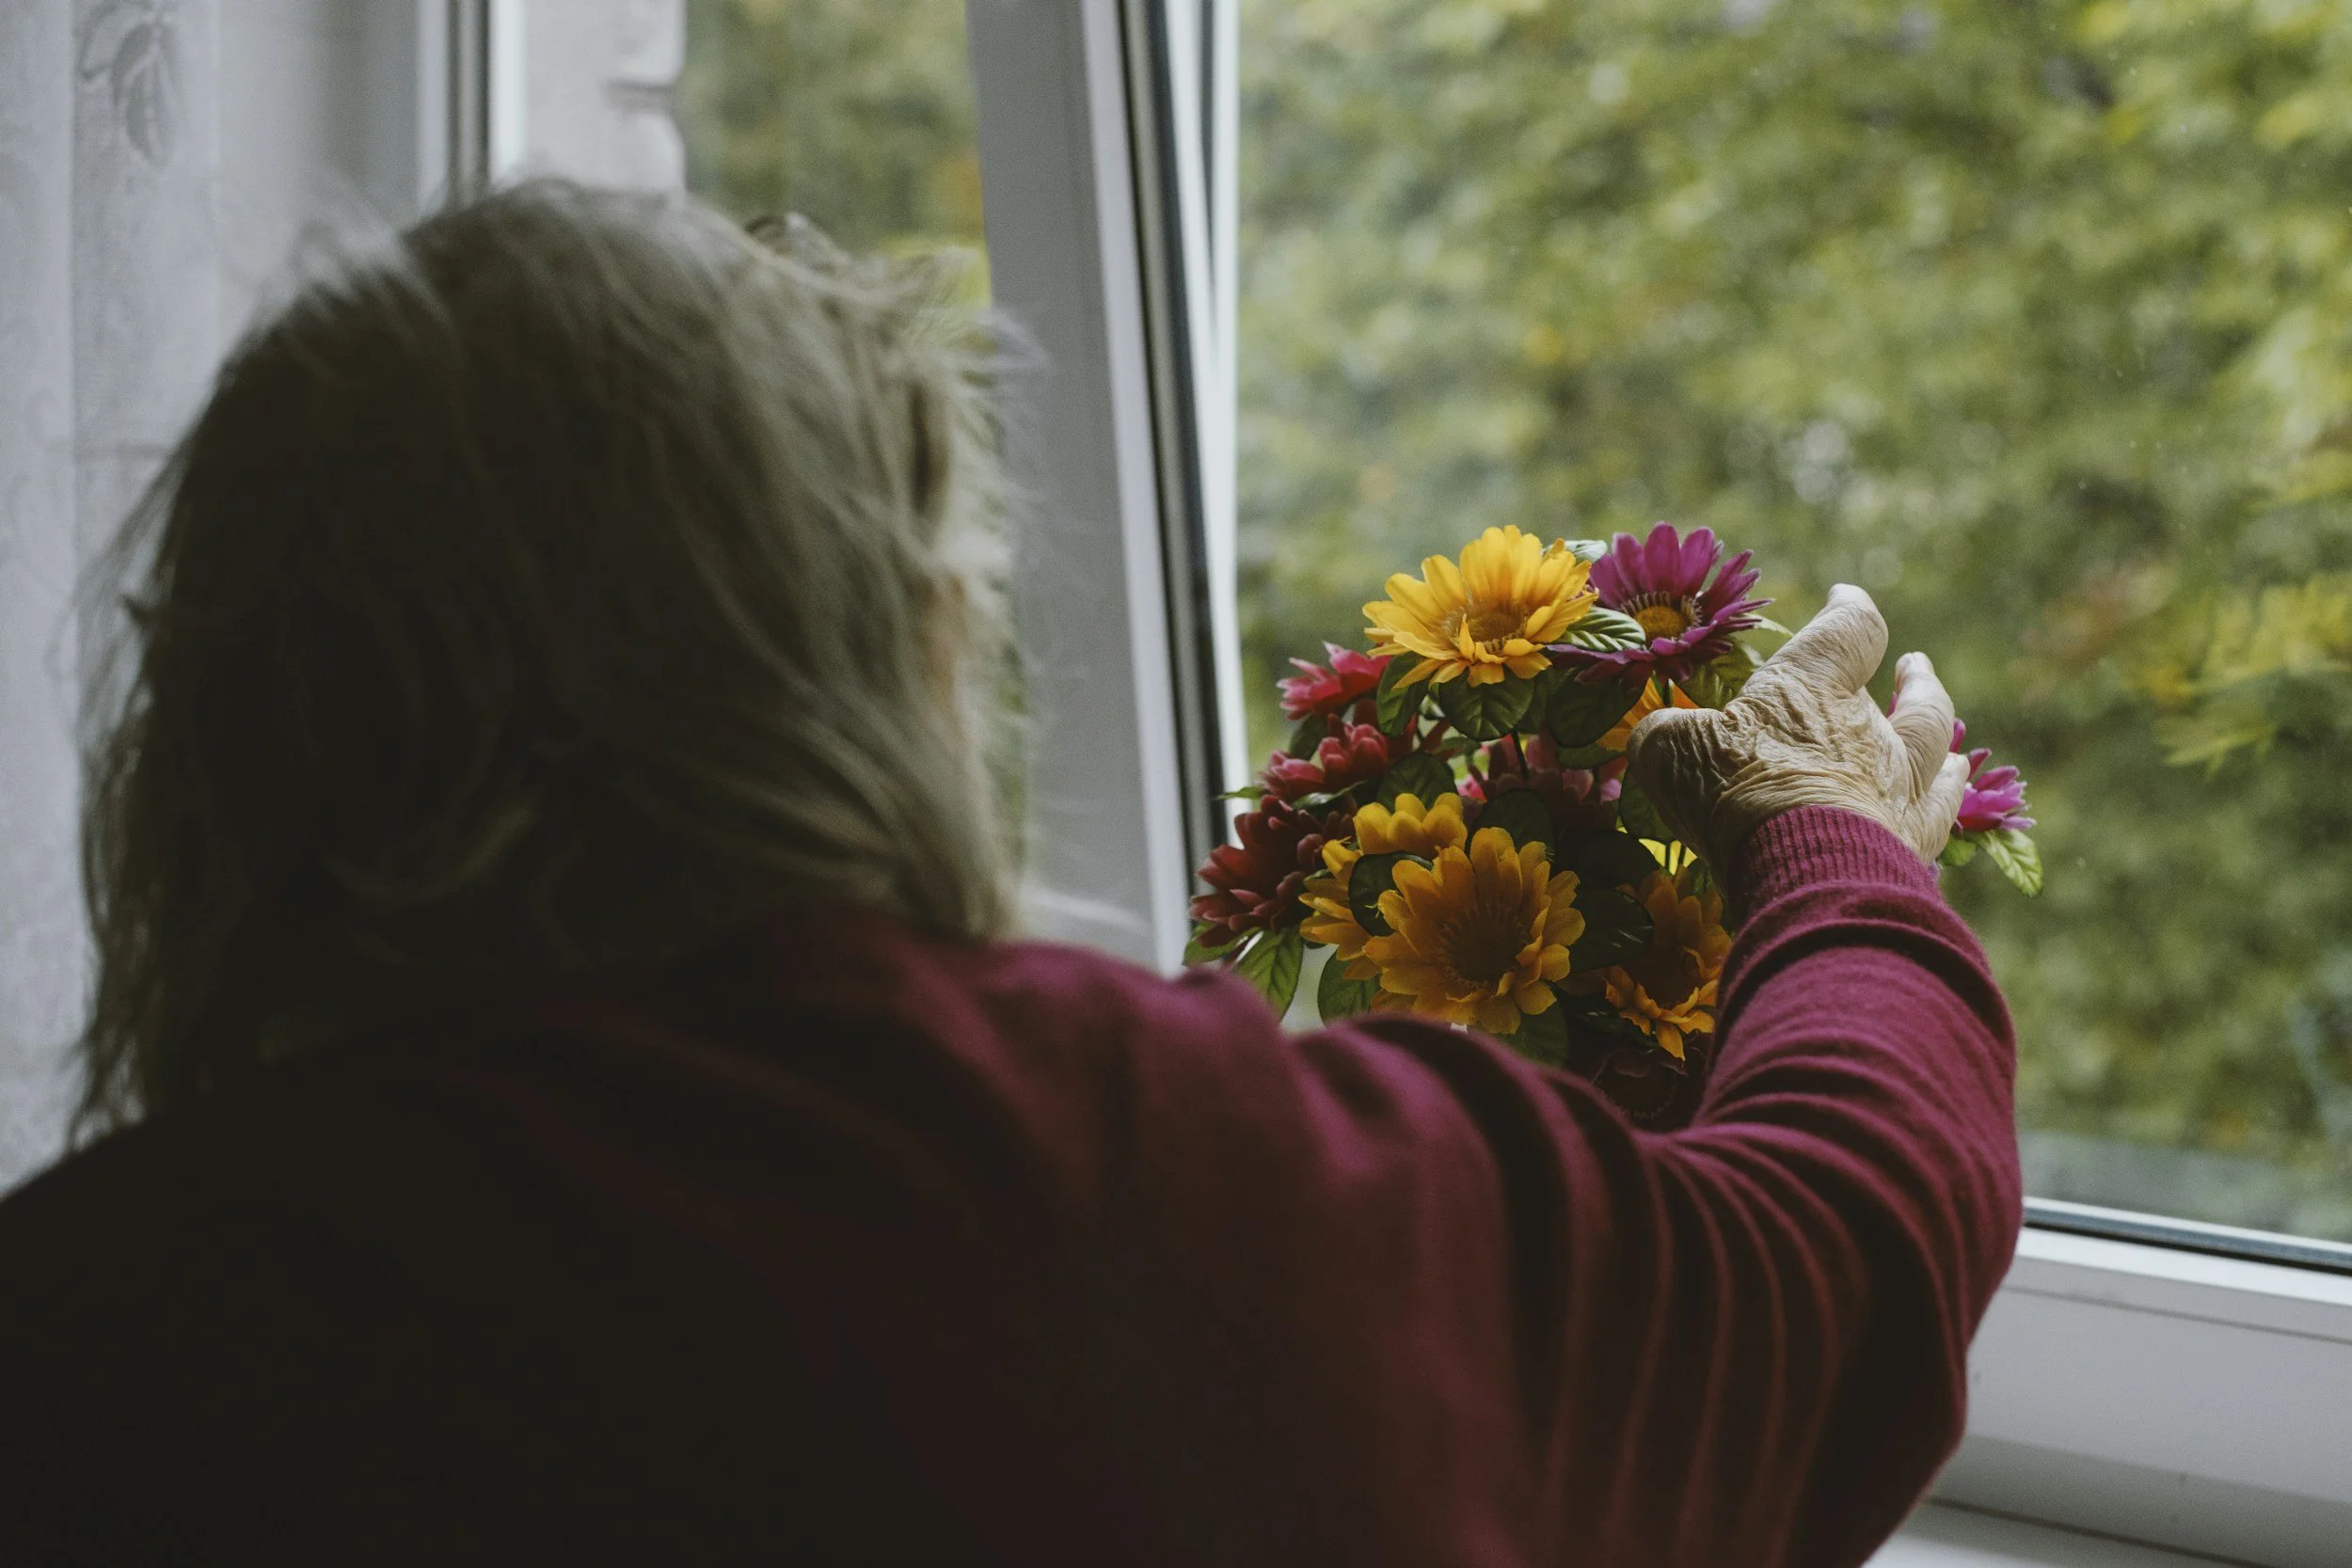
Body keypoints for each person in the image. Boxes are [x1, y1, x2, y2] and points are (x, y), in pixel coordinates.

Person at [0, 182, 2019, 1566]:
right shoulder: (1170, 1188)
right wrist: (1824, 833)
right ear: (868, 668)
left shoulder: (93, 1325)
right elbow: (1828, 1264)